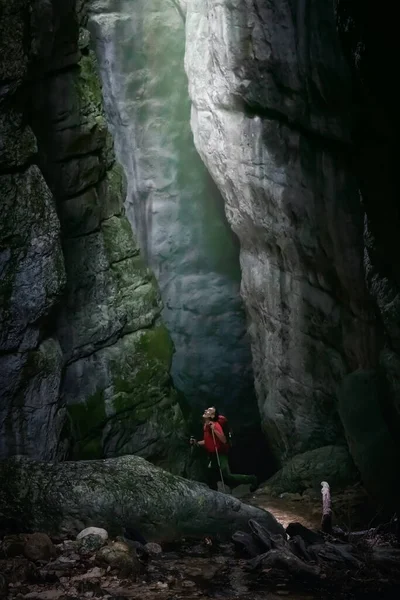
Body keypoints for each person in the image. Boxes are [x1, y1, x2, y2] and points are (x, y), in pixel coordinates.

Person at [191, 406, 258, 492]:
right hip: (213, 455)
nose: (205, 410)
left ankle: (251, 479)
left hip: (220, 454)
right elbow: (207, 441)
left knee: (226, 475)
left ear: (212, 416)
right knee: (211, 474)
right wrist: (196, 443)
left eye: (209, 411)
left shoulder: (215, 425)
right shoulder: (205, 425)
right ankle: (214, 492)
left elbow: (223, 439)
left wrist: (214, 429)